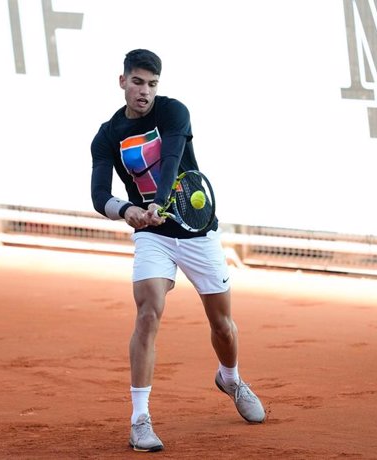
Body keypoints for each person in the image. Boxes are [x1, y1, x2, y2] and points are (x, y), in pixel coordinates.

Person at [90, 49, 265, 453]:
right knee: (148, 311)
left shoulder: (173, 113)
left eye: (152, 84)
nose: (144, 92)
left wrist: (160, 200)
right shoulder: (107, 135)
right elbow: (99, 194)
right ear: (122, 82)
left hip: (195, 229)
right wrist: (129, 210)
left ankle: (231, 380)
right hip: (152, 236)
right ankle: (140, 419)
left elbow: (170, 157)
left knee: (222, 325)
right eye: (137, 82)